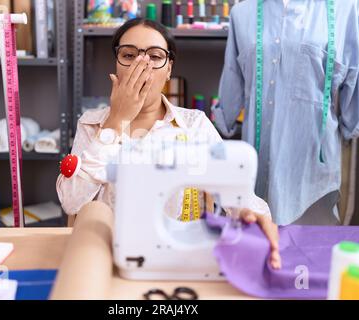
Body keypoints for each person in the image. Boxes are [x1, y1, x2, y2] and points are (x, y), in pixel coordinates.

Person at [57, 18, 281, 268]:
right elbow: (71, 201)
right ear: (116, 64)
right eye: (129, 55)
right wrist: (116, 120)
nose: (141, 65)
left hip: (178, 260)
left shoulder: (195, 125)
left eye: (154, 56)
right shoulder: (91, 124)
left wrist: (252, 215)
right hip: (106, 260)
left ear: (169, 69)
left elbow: (237, 196)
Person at [213, 0, 359, 225]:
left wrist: (352, 119)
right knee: (261, 252)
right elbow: (233, 74)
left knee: (313, 252)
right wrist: (224, 117)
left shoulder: (344, 8)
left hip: (312, 173)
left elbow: (354, 72)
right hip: (255, 167)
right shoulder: (242, 13)